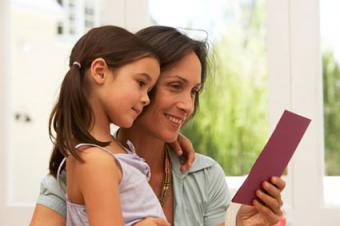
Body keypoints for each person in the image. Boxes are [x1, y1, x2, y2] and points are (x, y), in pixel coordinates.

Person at [30, 26, 285, 226]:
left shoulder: (205, 176)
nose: (187, 104)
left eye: (194, 91)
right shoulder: (80, 167)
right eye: (175, 86)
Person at [38, 25, 178, 226]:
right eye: (141, 83)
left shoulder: (113, 154)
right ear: (100, 72)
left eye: (149, 90)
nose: (146, 99)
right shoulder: (95, 161)